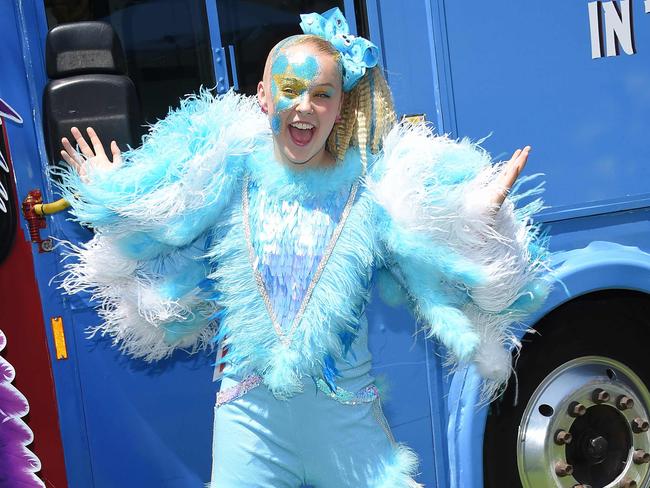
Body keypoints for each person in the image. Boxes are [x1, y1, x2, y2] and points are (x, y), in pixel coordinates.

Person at [58, 8, 548, 487]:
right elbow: (162, 230)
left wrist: (475, 215)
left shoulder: (372, 189)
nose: (304, 106)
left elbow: (431, 251)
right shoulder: (229, 176)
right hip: (249, 422)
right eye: (290, 90)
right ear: (263, 98)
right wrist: (116, 194)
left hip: (347, 424)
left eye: (321, 94)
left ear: (339, 107)